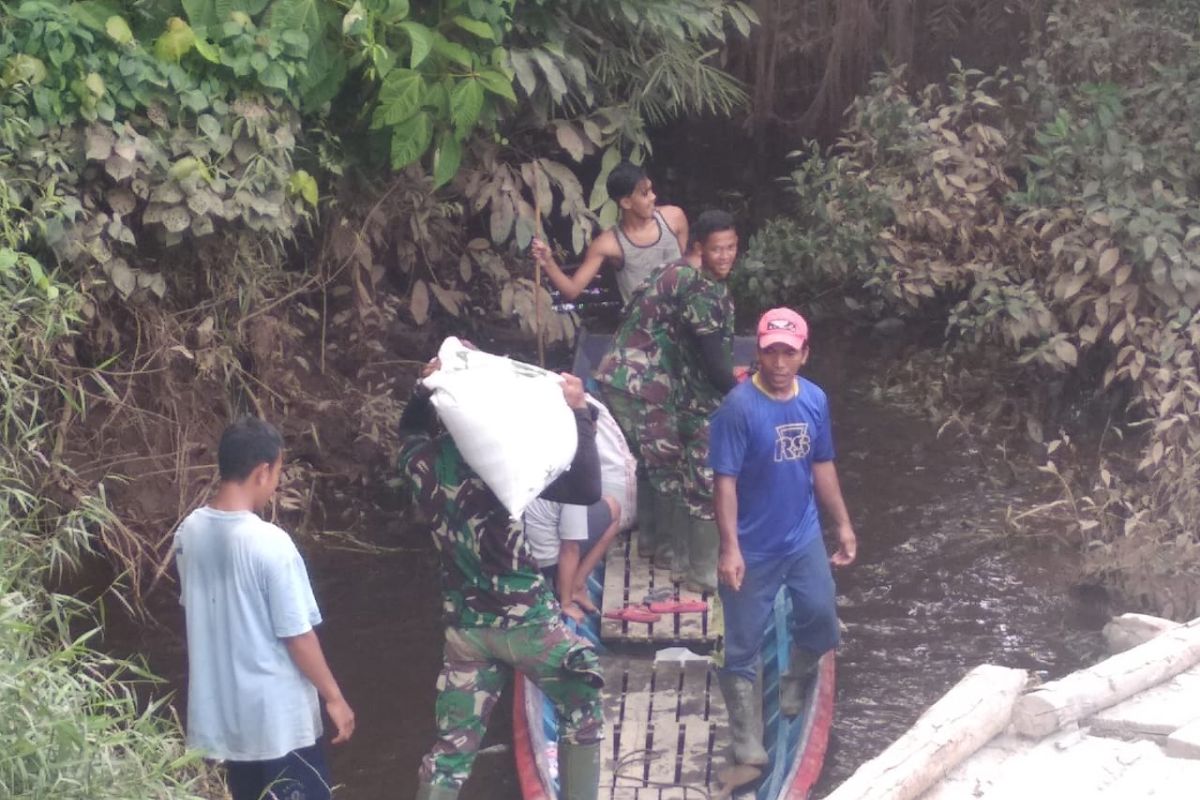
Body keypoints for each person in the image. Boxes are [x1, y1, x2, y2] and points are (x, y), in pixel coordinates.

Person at [396, 359, 605, 800]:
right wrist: (581, 415)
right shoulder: (507, 464)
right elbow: (586, 489)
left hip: (466, 631)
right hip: (526, 626)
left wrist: (422, 389)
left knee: (451, 752)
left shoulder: (422, 465)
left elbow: (409, 430)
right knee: (582, 699)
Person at [708, 308, 857, 785]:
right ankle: (747, 743)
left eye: (788, 353)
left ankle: (797, 674)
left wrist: (844, 525)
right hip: (753, 546)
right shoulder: (738, 408)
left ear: (803, 355)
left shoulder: (814, 399)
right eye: (770, 351)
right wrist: (730, 549)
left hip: (802, 535)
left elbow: (823, 465)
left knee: (821, 617)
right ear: (758, 352)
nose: (778, 362)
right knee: (741, 647)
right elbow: (724, 483)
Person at [174, 417, 355, 800]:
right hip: (280, 726)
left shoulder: (188, 533)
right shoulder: (270, 544)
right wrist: (334, 697)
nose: (275, 484)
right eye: (277, 473)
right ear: (262, 471)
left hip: (229, 727)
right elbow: (297, 635)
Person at [593, 209, 741, 593]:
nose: (725, 256)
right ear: (699, 249)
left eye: (731, 248)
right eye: (717, 249)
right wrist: (745, 397)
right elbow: (712, 360)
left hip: (636, 379)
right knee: (672, 466)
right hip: (645, 382)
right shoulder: (698, 287)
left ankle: (658, 548)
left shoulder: (675, 274)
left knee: (654, 461)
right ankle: (682, 562)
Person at [530, 161, 688, 305]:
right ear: (626, 202)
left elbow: (689, 267)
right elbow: (572, 291)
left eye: (651, 189)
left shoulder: (674, 218)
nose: (654, 197)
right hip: (643, 330)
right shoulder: (608, 244)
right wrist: (548, 262)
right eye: (645, 193)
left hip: (683, 320)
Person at [523, 495, 622, 622]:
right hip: (546, 563)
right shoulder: (573, 486)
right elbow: (570, 548)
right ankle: (576, 586)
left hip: (521, 554)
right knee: (613, 506)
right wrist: (566, 604)